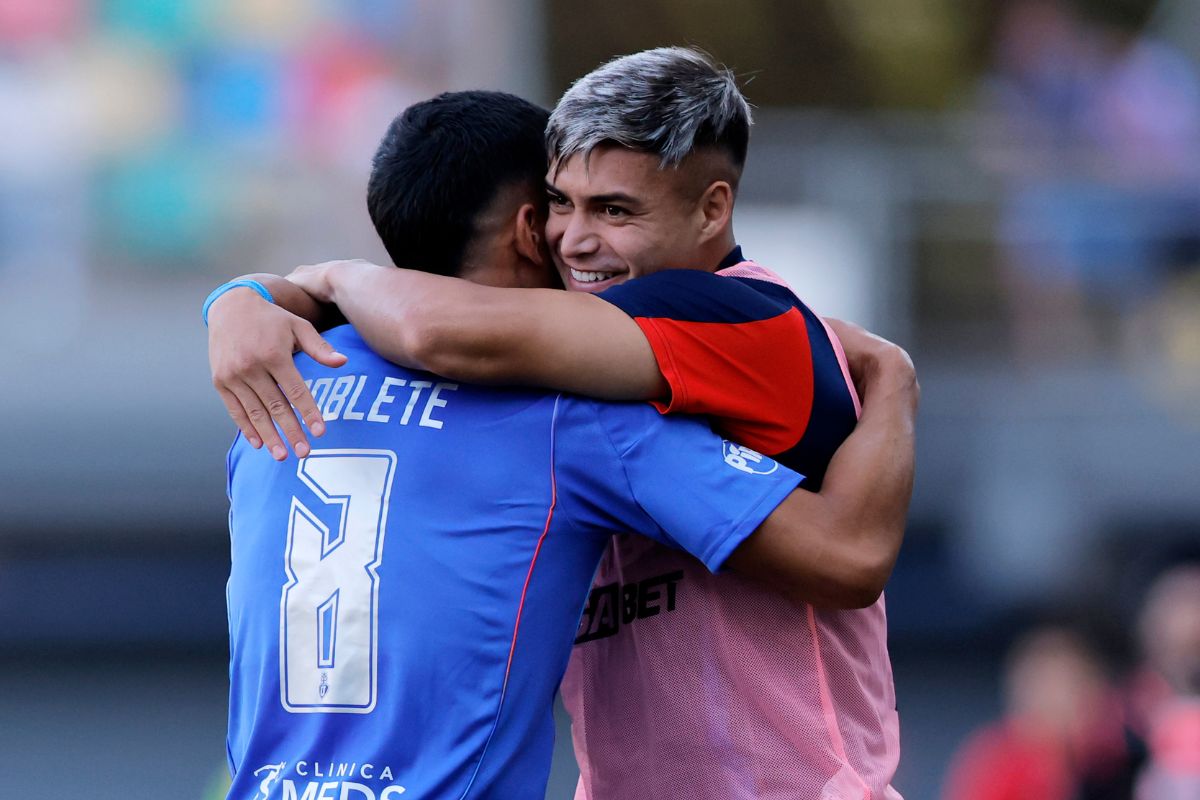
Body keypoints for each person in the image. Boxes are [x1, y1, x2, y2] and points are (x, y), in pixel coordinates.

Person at [212, 49, 914, 797]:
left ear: (713, 208)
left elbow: (848, 559)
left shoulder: (288, 389)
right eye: (560, 204)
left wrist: (298, 284)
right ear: (528, 223)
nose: (574, 240)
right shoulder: (566, 403)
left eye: (614, 210)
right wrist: (248, 294)